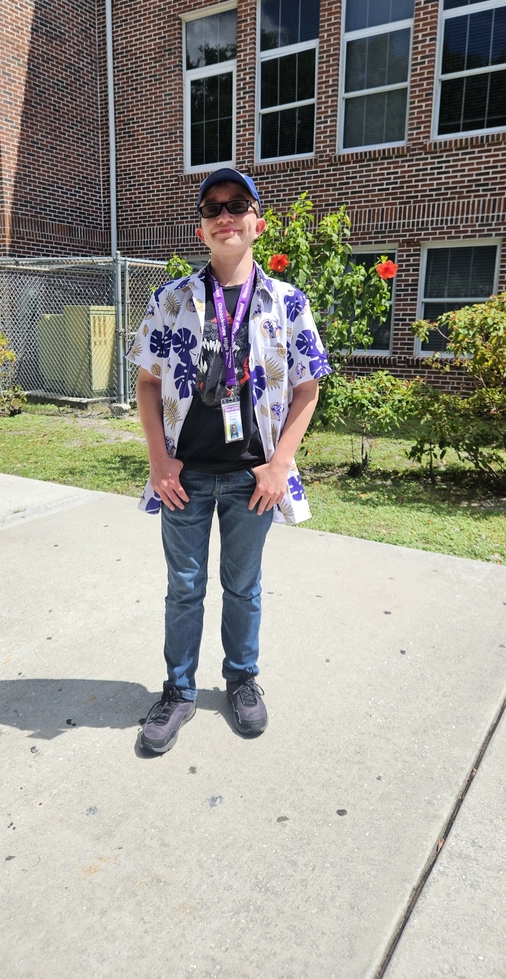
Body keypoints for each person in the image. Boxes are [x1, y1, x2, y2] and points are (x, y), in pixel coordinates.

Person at [128, 168, 331, 754]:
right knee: (183, 589)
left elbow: (307, 388)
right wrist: (160, 462)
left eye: (237, 205)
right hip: (184, 478)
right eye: (213, 207)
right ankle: (179, 691)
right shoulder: (170, 300)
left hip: (253, 480)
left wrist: (279, 466)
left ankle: (241, 680)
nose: (225, 214)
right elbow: (147, 382)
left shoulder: (287, 303)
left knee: (243, 587)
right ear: (200, 230)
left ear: (256, 224)